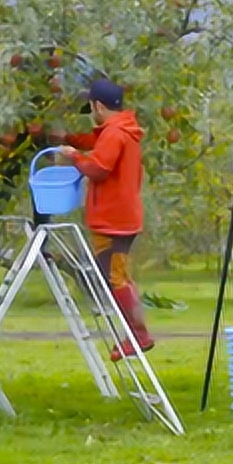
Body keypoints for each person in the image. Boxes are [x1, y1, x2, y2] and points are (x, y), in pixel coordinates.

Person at [59, 78, 154, 361]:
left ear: (97, 105)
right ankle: (134, 332)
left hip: (114, 220)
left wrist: (74, 156)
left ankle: (138, 335)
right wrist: (69, 140)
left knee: (113, 278)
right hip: (118, 217)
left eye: (90, 108)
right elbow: (97, 143)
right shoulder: (119, 130)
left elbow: (99, 167)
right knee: (117, 275)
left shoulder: (115, 134)